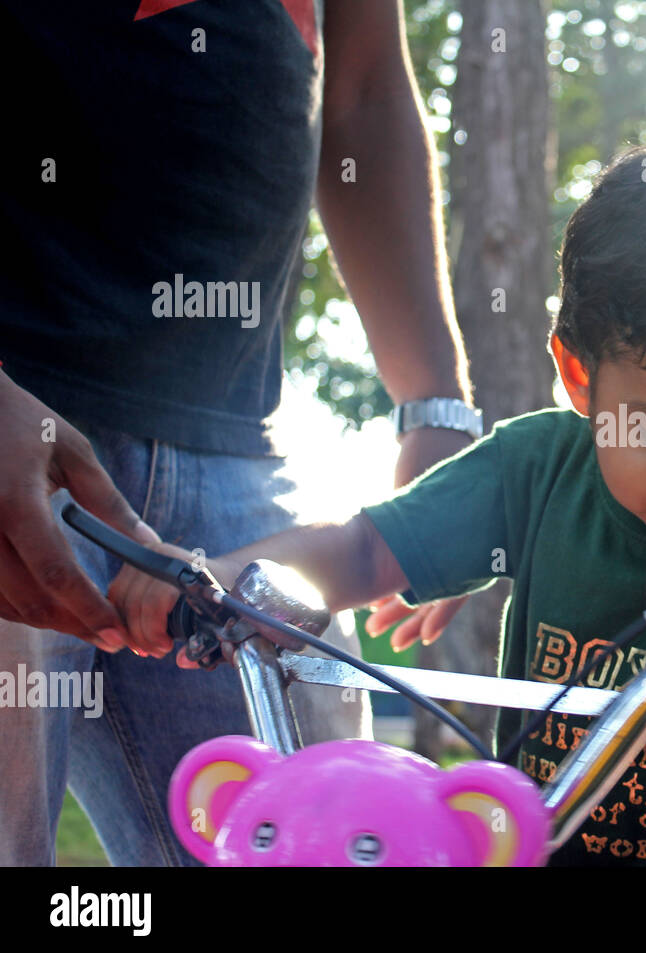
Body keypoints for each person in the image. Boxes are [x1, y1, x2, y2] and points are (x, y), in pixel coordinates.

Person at [111, 139, 646, 867]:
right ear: (580, 375)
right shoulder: (533, 469)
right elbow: (362, 554)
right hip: (538, 845)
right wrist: (223, 573)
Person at [0, 1, 476, 866]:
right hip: (13, 421)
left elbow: (363, 87)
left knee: (337, 837)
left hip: (240, 464)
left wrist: (435, 403)